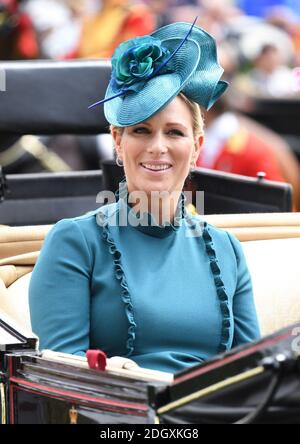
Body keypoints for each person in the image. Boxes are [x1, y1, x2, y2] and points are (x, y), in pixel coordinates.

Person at [29, 21, 260, 374]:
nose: (158, 147)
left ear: (196, 147)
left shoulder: (227, 248)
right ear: (118, 142)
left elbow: (254, 373)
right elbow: (62, 380)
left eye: (174, 132)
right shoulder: (75, 241)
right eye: (141, 130)